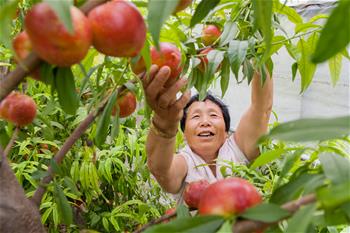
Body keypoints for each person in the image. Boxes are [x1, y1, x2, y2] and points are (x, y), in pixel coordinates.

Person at [141, 64, 273, 202]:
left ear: (227, 131)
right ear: (184, 133)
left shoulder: (238, 149)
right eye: (196, 116)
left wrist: (259, 56)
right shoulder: (185, 161)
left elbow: (262, 107)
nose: (205, 122)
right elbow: (161, 170)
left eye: (214, 115)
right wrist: (164, 124)